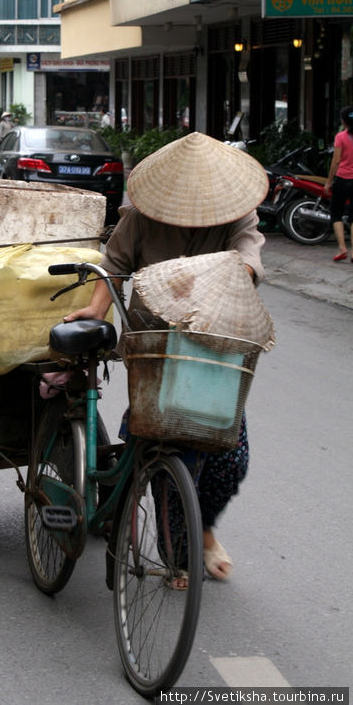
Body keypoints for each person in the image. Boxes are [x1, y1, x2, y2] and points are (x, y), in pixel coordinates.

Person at [64, 131, 269, 583]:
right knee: (156, 439)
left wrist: (234, 274)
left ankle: (204, 528)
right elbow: (114, 263)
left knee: (228, 457)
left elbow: (250, 257)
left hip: (214, 343)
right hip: (153, 342)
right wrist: (96, 309)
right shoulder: (141, 217)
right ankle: (176, 550)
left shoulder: (238, 217)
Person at [323, 106, 353, 262]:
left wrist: (328, 182)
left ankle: (342, 248)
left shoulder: (340, 137)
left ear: (343, 121)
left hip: (342, 180)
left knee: (336, 213)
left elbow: (335, 161)